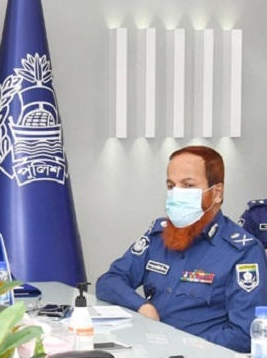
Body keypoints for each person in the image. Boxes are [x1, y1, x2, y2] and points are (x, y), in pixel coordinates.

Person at [96, 146, 267, 353]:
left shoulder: (243, 251)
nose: (176, 194)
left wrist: (180, 343)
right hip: (148, 349)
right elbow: (109, 281)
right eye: (171, 185)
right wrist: (142, 305)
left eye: (188, 185)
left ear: (216, 193)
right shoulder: (158, 235)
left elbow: (244, 334)